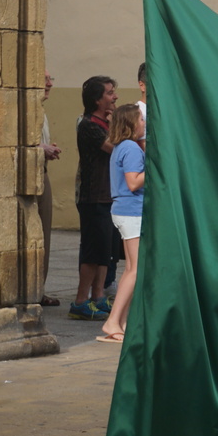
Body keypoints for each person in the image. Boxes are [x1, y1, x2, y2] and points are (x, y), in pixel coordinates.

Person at [72, 75, 120, 322]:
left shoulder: (105, 123)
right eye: (110, 93)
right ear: (96, 99)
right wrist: (119, 125)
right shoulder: (89, 125)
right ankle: (81, 301)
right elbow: (115, 148)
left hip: (108, 196)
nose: (115, 97)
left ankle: (98, 296)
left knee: (106, 250)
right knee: (92, 250)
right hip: (93, 197)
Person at [98, 104, 145, 344]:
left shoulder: (121, 147)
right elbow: (133, 182)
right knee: (135, 270)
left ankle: (123, 322)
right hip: (132, 212)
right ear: (131, 124)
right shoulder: (131, 148)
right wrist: (156, 165)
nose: (144, 123)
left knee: (131, 269)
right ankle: (113, 320)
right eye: (141, 119)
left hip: (124, 211)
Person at [37, 71, 61, 307]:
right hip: (31, 174)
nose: (50, 84)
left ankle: (38, 289)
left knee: (44, 235)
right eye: (45, 79)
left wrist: (46, 149)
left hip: (41, 172)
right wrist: (41, 149)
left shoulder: (41, 112)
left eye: (50, 79)